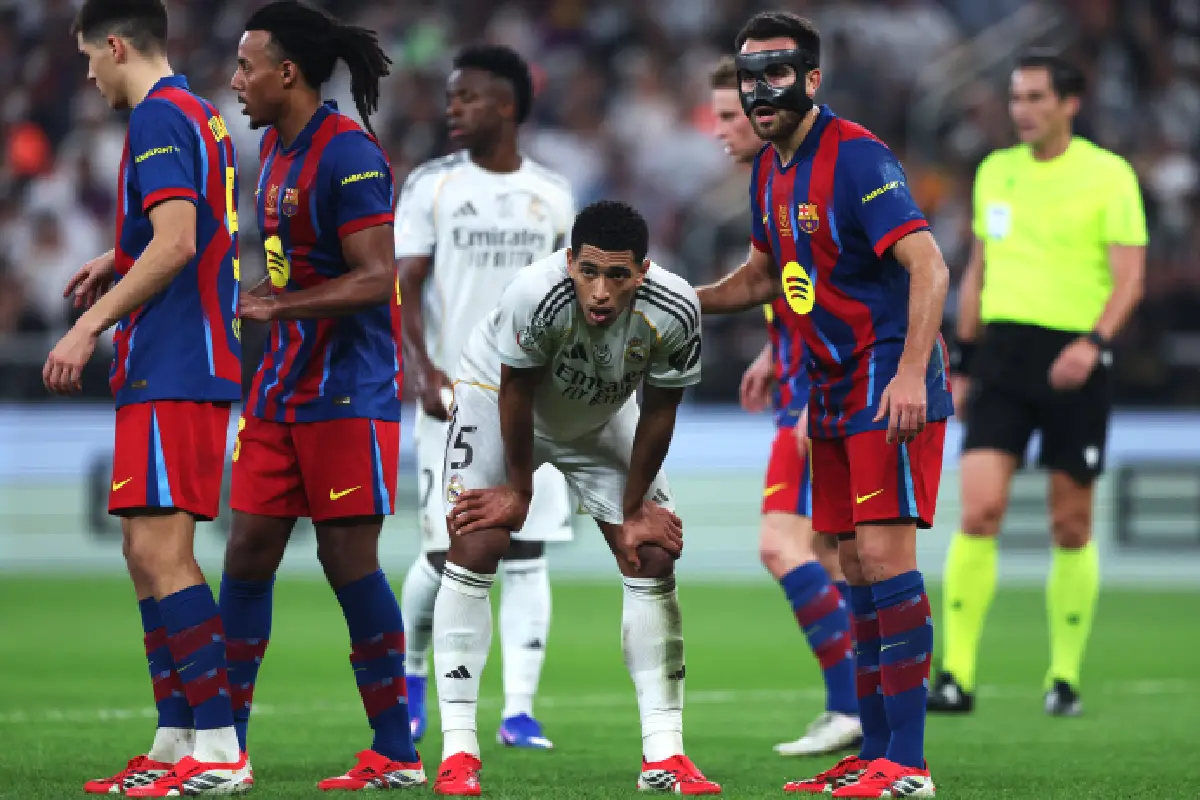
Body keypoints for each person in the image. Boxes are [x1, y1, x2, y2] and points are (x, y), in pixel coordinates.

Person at [696, 12, 953, 798]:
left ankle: (906, 767)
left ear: (811, 79)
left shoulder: (857, 157)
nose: (759, 89)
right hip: (828, 385)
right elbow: (760, 279)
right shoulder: (768, 168)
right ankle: (873, 751)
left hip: (884, 382)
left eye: (776, 72)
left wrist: (910, 375)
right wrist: (671, 297)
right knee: (846, 561)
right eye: (749, 75)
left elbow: (930, 267)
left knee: (883, 561)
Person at [428, 200, 720, 796]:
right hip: (497, 397)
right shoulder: (534, 294)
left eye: (618, 275)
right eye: (589, 271)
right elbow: (515, 392)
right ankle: (459, 750)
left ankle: (665, 755)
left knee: (653, 554)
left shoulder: (677, 307)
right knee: (478, 541)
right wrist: (517, 491)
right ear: (569, 262)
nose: (601, 291)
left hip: (600, 417)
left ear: (644, 269)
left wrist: (636, 508)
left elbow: (661, 410)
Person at [218, 1, 423, 791]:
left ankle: (395, 754)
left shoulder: (350, 154)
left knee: (349, 565)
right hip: (280, 390)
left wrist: (278, 306)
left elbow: (377, 278)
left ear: (287, 72)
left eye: (245, 67)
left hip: (349, 391)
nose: (236, 81)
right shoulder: (272, 150)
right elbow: (284, 265)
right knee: (246, 554)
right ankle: (222, 747)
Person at [48, 0, 249, 795]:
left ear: (118, 45)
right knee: (143, 554)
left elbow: (178, 242)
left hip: (177, 362)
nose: (89, 74)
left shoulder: (156, 122)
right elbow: (186, 225)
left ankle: (221, 750)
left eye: (90, 58)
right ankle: (175, 742)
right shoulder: (197, 114)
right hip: (169, 360)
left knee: (165, 555)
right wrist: (116, 252)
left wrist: (85, 326)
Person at [930, 52, 1146, 718]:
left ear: (1069, 103)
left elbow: (1129, 277)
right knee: (979, 511)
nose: (1020, 109)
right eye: (1016, 97)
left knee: (1070, 524)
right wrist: (963, 362)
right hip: (1002, 355)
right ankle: (956, 676)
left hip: (1074, 357)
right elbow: (977, 271)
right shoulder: (997, 172)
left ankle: (1063, 677)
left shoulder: (1109, 176)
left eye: (1034, 98)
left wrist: (1093, 344)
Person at [394, 43, 576, 749]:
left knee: (528, 549)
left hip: (534, 399)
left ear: (505, 103)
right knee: (448, 554)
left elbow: (576, 290)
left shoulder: (555, 193)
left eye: (466, 97)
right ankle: (410, 680)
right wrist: (422, 367)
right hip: (453, 396)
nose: (453, 109)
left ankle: (519, 713)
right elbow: (405, 282)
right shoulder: (432, 185)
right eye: (451, 98)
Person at [710, 55, 861, 757]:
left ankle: (856, 699)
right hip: (800, 381)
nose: (721, 130)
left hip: (821, 395)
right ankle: (865, 697)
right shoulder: (769, 181)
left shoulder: (808, 174)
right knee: (831, 556)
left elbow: (829, 284)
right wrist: (775, 350)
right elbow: (787, 285)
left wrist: (816, 388)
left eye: (729, 116)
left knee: (783, 545)